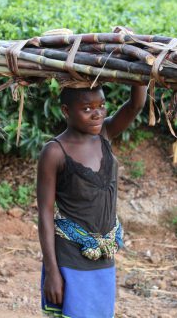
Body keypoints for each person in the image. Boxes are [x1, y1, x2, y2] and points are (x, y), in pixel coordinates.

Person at [37, 83, 147, 317]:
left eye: (102, 106)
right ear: (66, 111)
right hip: (70, 256)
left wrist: (142, 70)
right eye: (87, 108)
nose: (97, 113)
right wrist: (52, 272)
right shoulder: (55, 152)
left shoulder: (105, 135)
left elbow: (136, 104)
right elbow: (45, 213)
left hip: (104, 254)